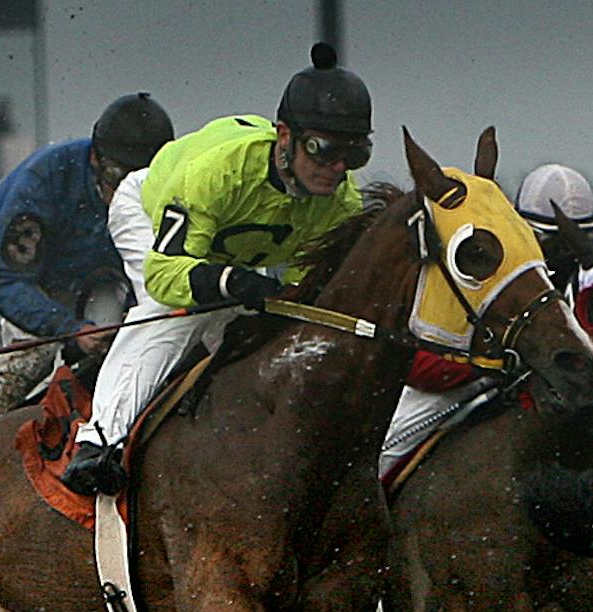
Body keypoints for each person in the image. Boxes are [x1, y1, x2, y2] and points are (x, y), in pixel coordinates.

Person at [60, 44, 371, 496]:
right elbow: (166, 275)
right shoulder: (218, 173)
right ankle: (98, 441)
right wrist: (230, 281)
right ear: (285, 136)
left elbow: (312, 291)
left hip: (222, 251)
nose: (337, 169)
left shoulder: (341, 204)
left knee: (251, 328)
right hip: (148, 212)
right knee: (170, 309)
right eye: (322, 150)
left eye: (354, 154)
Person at [0, 92, 174, 437]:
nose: (126, 192)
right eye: (118, 175)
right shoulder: (44, 180)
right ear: (94, 158)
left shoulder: (170, 190)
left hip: (102, 272)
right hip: (30, 272)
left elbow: (152, 282)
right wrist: (69, 328)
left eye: (142, 180)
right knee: (33, 357)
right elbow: (7, 278)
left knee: (122, 348)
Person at [373, 163, 593, 475]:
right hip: (454, 386)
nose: (564, 258)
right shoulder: (482, 269)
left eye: (575, 245)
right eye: (553, 244)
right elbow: (417, 364)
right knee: (379, 456)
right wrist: (490, 365)